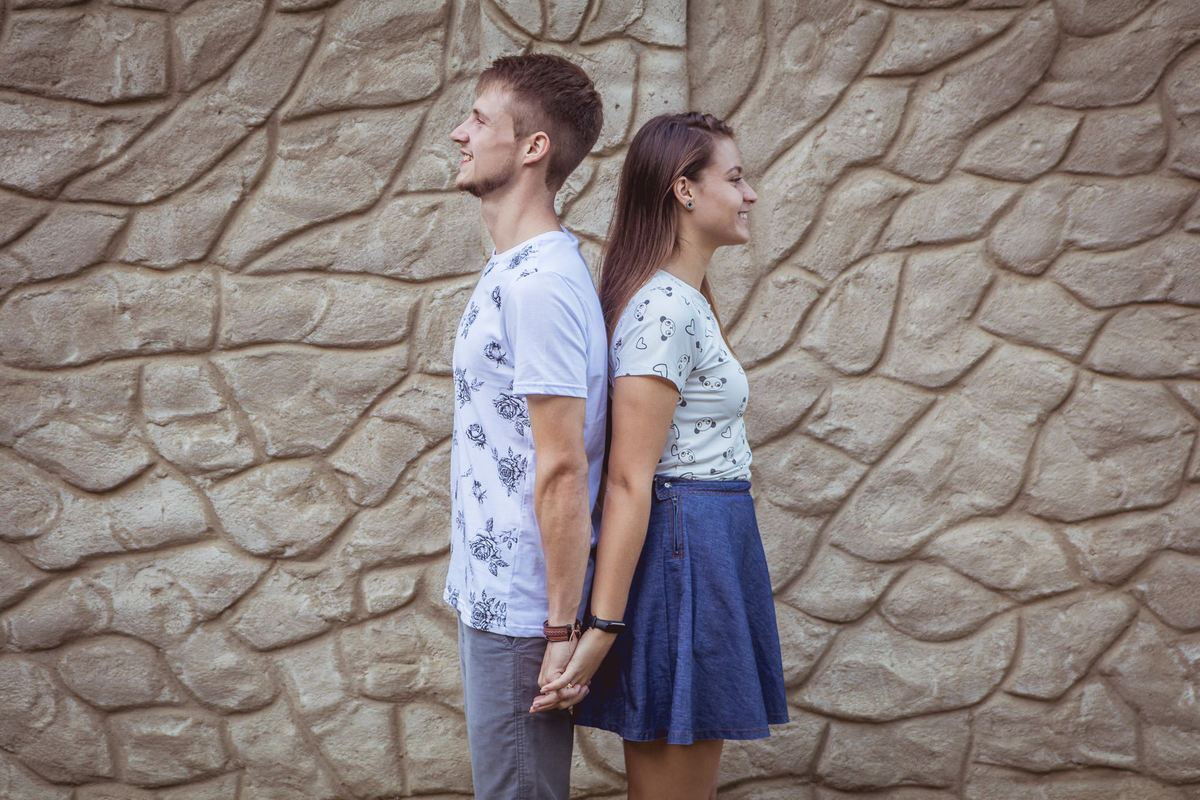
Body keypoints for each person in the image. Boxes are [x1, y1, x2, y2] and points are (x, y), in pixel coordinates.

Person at [534, 112, 789, 799]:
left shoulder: (680, 301)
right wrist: (600, 632)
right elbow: (627, 480)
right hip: (687, 550)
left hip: (705, 540)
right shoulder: (664, 309)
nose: (749, 195)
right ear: (683, 190)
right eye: (734, 178)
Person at [443, 53, 605, 799]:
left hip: (523, 613)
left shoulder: (540, 284)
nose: (458, 133)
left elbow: (563, 465)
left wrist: (559, 631)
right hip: (496, 598)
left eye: (478, 119)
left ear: (533, 148)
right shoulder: (513, 268)